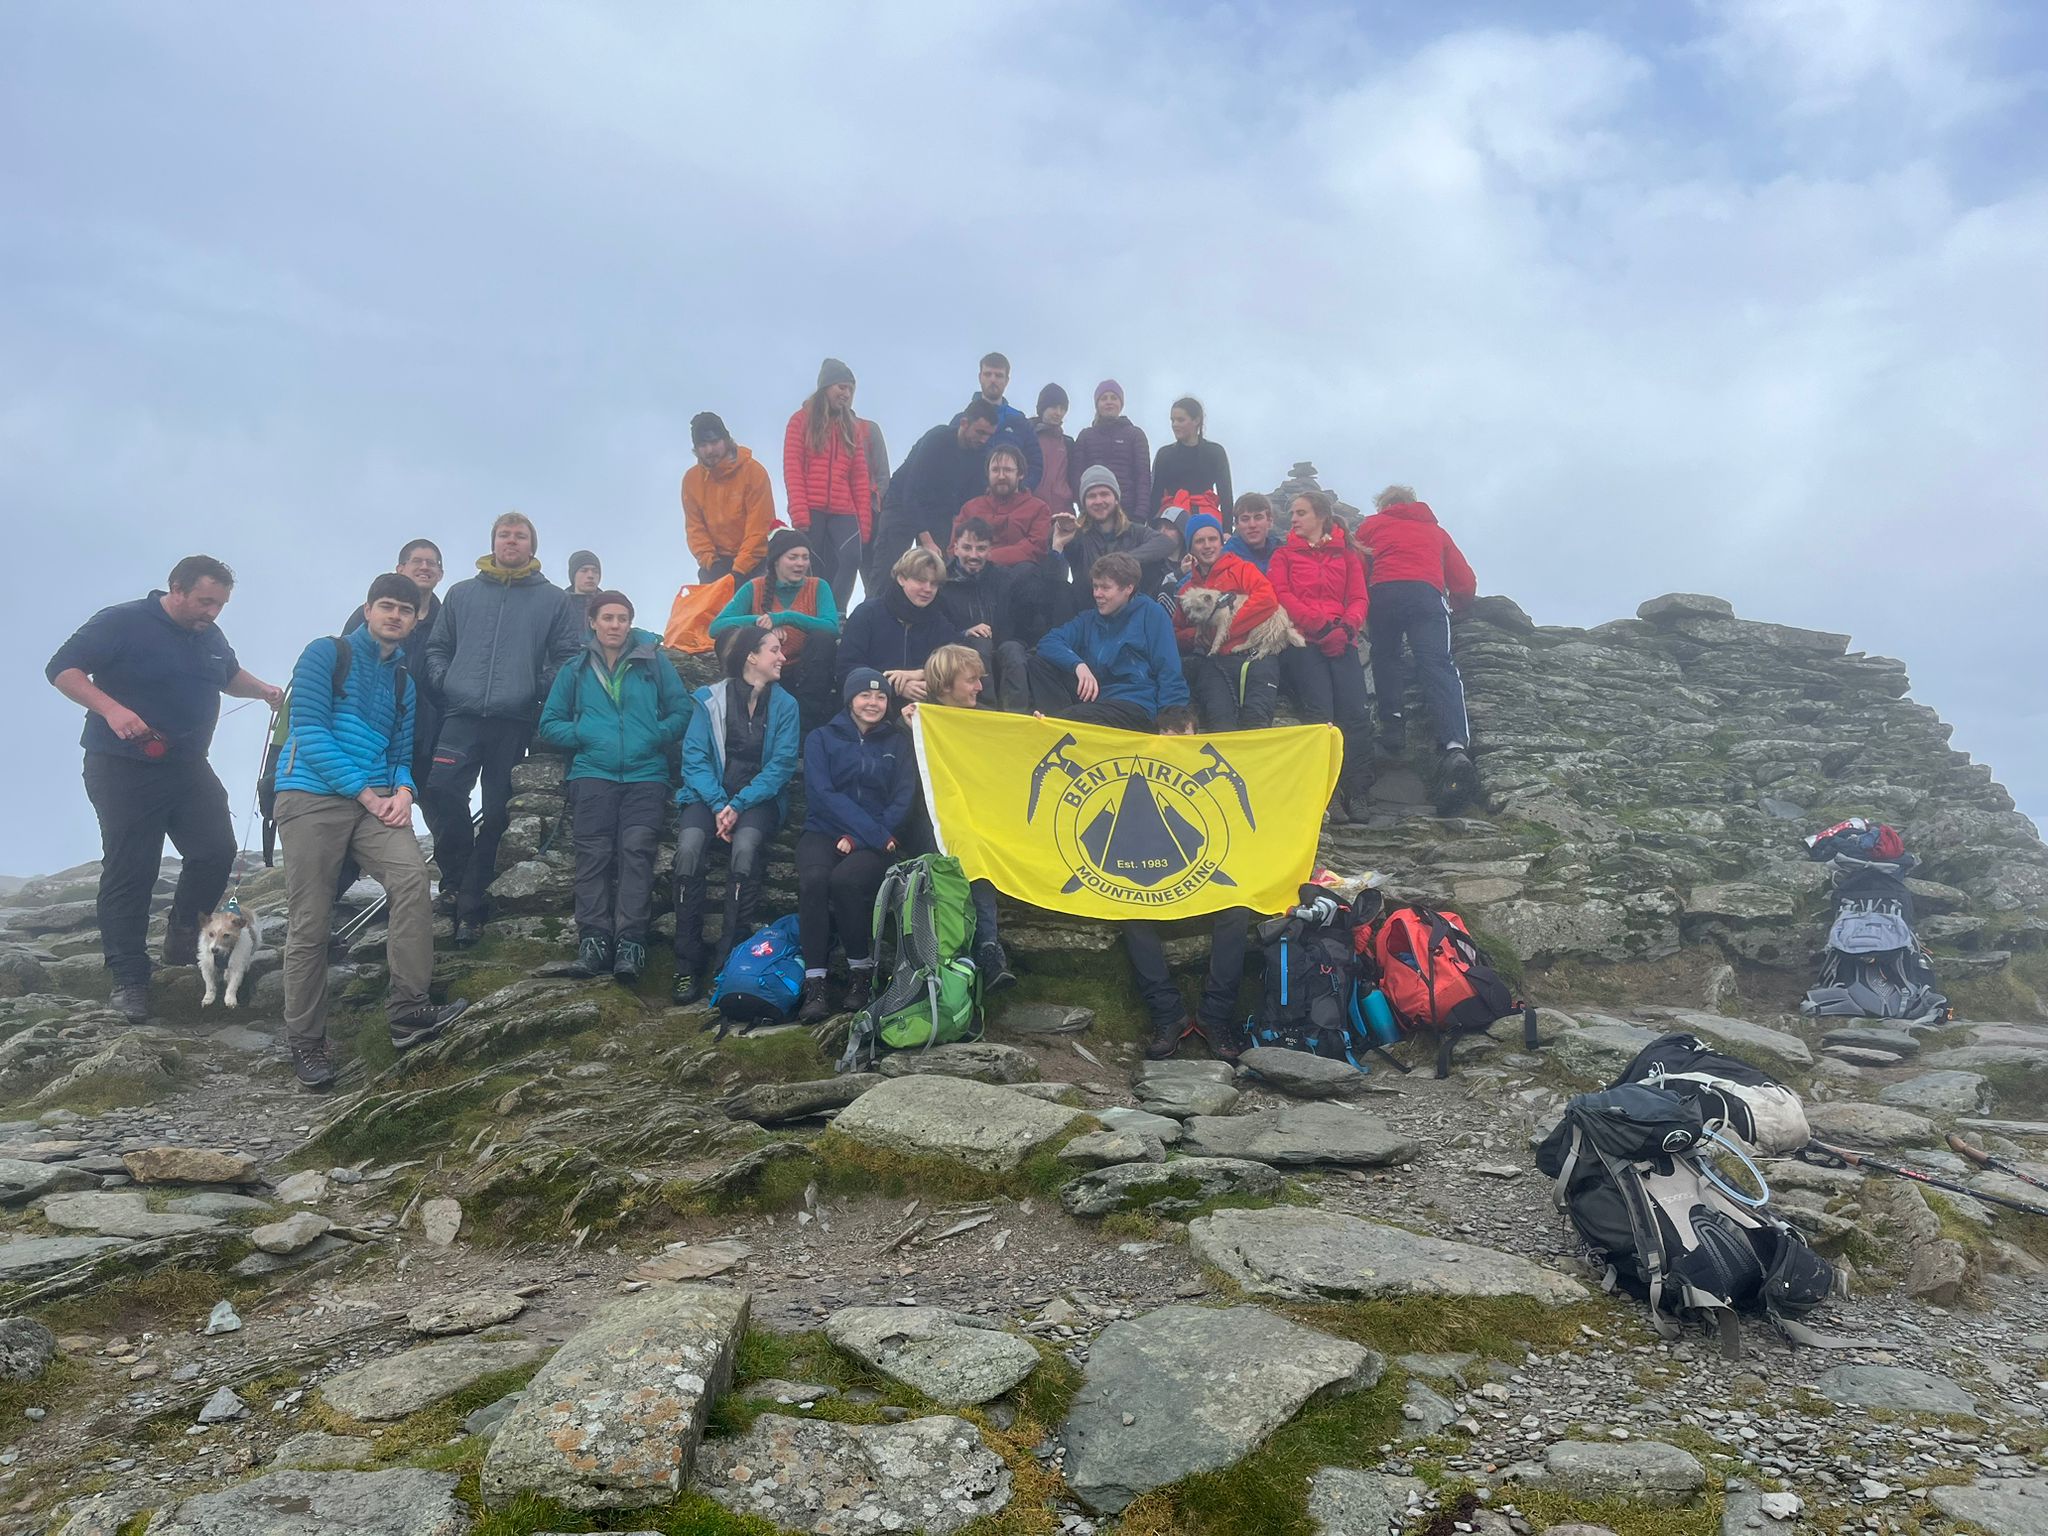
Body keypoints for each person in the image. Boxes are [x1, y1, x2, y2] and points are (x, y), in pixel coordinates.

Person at [46, 556, 283, 1024]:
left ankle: (181, 939)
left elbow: (228, 675)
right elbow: (62, 669)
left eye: (219, 604)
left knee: (215, 851)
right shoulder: (122, 621)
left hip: (188, 766)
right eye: (204, 601)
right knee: (132, 869)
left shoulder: (210, 635)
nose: (212, 612)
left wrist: (264, 691)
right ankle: (129, 978)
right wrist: (112, 710)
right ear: (176, 588)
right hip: (122, 767)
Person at [274, 575, 469, 1088]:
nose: (395, 616)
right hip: (310, 794)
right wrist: (366, 793)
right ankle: (306, 1041)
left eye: (405, 610)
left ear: (416, 618)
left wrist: (404, 792)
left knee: (412, 880)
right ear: (367, 610)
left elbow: (401, 753)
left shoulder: (403, 680)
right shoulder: (325, 653)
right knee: (311, 919)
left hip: (375, 799)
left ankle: (409, 1011)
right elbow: (309, 731)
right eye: (386, 606)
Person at [422, 512, 584, 946]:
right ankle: (454, 881)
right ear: (493, 542)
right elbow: (438, 647)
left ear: (533, 546)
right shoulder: (461, 593)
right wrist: (446, 680)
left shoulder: (553, 599)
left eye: (520, 536)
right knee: (440, 791)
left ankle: (470, 905)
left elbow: (568, 656)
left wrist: (533, 689)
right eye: (504, 535)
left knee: (497, 812)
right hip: (461, 715)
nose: (511, 541)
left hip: (513, 721)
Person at [536, 590, 690, 984]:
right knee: (593, 856)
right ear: (592, 622)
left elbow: (682, 709)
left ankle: (630, 945)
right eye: (607, 618)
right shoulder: (575, 668)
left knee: (637, 853)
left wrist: (656, 735)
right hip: (592, 775)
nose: (615, 625)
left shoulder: (653, 661)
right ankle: (593, 942)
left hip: (646, 776)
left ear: (630, 622)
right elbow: (549, 722)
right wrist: (585, 735)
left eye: (622, 618)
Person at [671, 627, 799, 1005]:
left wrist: (738, 805)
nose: (782, 657)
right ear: (751, 656)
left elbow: (780, 766)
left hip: (758, 800)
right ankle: (686, 962)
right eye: (774, 650)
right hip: (707, 796)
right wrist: (717, 804)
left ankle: (729, 958)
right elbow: (694, 759)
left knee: (745, 849)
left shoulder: (786, 705)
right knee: (688, 849)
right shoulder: (709, 699)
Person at [1125, 705, 1251, 1062]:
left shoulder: (1215, 777)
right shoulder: (1137, 773)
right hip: (1152, 878)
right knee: (1128, 913)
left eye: (1185, 741)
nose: (1177, 749)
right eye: (1168, 741)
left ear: (1199, 737)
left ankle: (1215, 1017)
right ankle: (1168, 1016)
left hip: (1205, 875)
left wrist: (1315, 740)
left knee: (1237, 910)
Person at [794, 668, 916, 1023]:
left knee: (846, 882)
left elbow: (902, 800)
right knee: (814, 881)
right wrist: (868, 832)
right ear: (850, 699)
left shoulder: (898, 743)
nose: (873, 703)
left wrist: (861, 838)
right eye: (865, 695)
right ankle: (815, 984)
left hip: (874, 840)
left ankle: (861, 975)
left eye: (881, 697)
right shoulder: (821, 738)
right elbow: (822, 793)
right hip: (824, 830)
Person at [337, 539, 450, 905]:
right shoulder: (367, 616)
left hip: (428, 738)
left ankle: (452, 893)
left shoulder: (448, 618)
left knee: (444, 813)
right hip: (373, 741)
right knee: (359, 817)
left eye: (432, 562)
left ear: (441, 573)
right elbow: (348, 669)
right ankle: (330, 899)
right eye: (417, 561)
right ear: (400, 568)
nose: (425, 567)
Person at [1355, 486, 1481, 807]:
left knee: (1385, 655)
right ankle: (1454, 746)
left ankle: (1393, 726)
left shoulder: (1371, 525)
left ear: (1384, 505)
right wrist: (1460, 603)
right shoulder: (1434, 530)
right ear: (1411, 503)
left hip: (1383, 592)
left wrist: (1360, 603)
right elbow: (1464, 579)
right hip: (1426, 594)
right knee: (1437, 664)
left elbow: (1357, 566)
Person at [910, 644, 1016, 991]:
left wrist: (1036, 731)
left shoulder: (986, 719)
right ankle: (980, 952)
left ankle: (984, 950)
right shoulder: (917, 720)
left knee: (975, 843)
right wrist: (909, 727)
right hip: (933, 823)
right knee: (967, 849)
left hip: (983, 818)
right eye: (971, 680)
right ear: (945, 686)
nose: (980, 687)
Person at [1268, 491, 1373, 821]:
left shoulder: (1347, 555)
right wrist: (1320, 625)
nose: (1293, 519)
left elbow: (1359, 597)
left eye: (1301, 513)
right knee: (1320, 716)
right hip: (1304, 643)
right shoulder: (1284, 555)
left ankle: (1357, 792)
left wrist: (1346, 627)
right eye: (1293, 513)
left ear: (1321, 516)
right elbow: (1281, 594)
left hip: (1343, 641)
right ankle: (1328, 794)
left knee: (1355, 716)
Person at [1028, 552, 1188, 729]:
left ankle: (1052, 724)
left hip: (1134, 704)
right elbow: (1048, 642)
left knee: (1077, 717)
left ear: (1128, 588)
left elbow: (1169, 670)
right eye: (1095, 586)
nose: (1097, 594)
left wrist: (1171, 721)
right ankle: (1057, 724)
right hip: (1096, 699)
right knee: (1039, 663)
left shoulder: (1152, 614)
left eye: (1105, 588)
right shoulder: (1088, 619)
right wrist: (1078, 665)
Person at [707, 527, 841, 731]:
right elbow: (717, 627)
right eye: (793, 557)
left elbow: (831, 627)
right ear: (777, 560)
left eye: (805, 557)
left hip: (804, 671)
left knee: (822, 638)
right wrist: (761, 625)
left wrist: (784, 617)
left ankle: (807, 721)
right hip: (763, 669)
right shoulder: (754, 587)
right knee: (727, 636)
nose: (800, 563)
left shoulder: (818, 586)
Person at [867, 398, 1000, 586]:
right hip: (902, 504)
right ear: (964, 423)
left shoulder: (981, 455)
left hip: (939, 514)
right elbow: (911, 492)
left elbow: (969, 504)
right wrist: (927, 541)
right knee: (887, 572)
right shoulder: (937, 440)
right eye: (980, 432)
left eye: (989, 435)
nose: (984, 439)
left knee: (939, 572)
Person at [1170, 511, 1282, 731]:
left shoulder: (1242, 570)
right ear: (1190, 548)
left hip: (1256, 656)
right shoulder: (1187, 590)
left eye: (1213, 539)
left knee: (1257, 722)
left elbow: (1267, 600)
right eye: (1199, 541)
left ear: (1222, 542)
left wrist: (1220, 631)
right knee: (1221, 724)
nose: (1207, 546)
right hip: (1216, 663)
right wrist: (1194, 637)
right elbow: (1176, 631)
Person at [783, 358, 873, 611]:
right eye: (841, 387)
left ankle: (838, 612)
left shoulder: (851, 428)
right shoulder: (800, 420)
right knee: (815, 566)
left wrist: (864, 521)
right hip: (811, 507)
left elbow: (859, 476)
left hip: (843, 508)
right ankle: (814, 613)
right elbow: (793, 467)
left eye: (851, 390)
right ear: (826, 386)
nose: (846, 394)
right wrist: (799, 511)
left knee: (851, 557)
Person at [837, 546, 960, 708]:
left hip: (923, 709)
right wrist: (896, 687)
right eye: (920, 580)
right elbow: (847, 669)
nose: (928, 589)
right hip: (871, 709)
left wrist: (923, 674)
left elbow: (958, 669)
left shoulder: (940, 623)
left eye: (934, 583)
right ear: (901, 579)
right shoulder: (866, 614)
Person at [1052, 463, 1180, 603]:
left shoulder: (1135, 531)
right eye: (1091, 496)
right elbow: (1054, 576)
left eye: (1104, 494)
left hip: (1130, 607)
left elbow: (1166, 543)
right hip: (1088, 608)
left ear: (1116, 499)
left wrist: (1121, 561)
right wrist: (1058, 542)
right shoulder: (1078, 535)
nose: (1098, 501)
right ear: (1084, 503)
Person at [683, 411, 778, 586]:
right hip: (715, 565)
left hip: (755, 563)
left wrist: (739, 570)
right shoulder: (691, 480)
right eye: (703, 445)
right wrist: (711, 563)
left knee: (758, 602)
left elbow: (759, 527)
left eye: (714, 442)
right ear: (696, 449)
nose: (709, 450)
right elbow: (695, 529)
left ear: (726, 440)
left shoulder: (754, 472)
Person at [952, 442, 1051, 568]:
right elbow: (954, 547)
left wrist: (988, 557)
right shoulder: (970, 508)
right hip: (975, 573)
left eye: (1007, 470)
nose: (1001, 476)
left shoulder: (1039, 509)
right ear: (988, 474)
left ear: (1020, 474)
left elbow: (1036, 547)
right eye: (995, 470)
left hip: (1018, 575)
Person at [1073, 380, 1151, 525]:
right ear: (1097, 404)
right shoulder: (1085, 436)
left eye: (1114, 398)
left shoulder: (1135, 435)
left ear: (1121, 403)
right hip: (1093, 513)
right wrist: (1084, 507)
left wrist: (1140, 514)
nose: (1109, 402)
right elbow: (1076, 476)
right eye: (1104, 398)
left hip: (1129, 513)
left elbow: (1143, 477)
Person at [964, 352, 1044, 490]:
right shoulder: (963, 420)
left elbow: (1035, 463)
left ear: (1007, 380)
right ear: (980, 377)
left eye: (999, 375)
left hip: (1011, 499)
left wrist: (1022, 490)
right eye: (988, 374)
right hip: (970, 499)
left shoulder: (1020, 422)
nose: (993, 379)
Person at [1149, 396, 1233, 525]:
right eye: (1172, 420)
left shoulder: (1215, 452)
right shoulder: (1164, 454)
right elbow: (1155, 494)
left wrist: (1227, 530)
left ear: (1196, 420)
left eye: (1180, 420)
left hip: (1206, 515)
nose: (1175, 425)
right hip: (1171, 517)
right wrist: (1151, 527)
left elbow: (1225, 494)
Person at [1032, 383, 1077, 520]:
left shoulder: (1068, 443)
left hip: (1063, 512)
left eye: (1062, 408)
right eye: (1053, 407)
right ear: (1042, 408)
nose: (1058, 413)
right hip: (1033, 512)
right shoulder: (1028, 437)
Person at [1223, 493, 1279, 573]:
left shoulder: (1282, 553)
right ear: (1236, 525)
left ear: (1270, 522)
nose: (1252, 525)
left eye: (1258, 517)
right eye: (1245, 519)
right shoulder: (1225, 560)